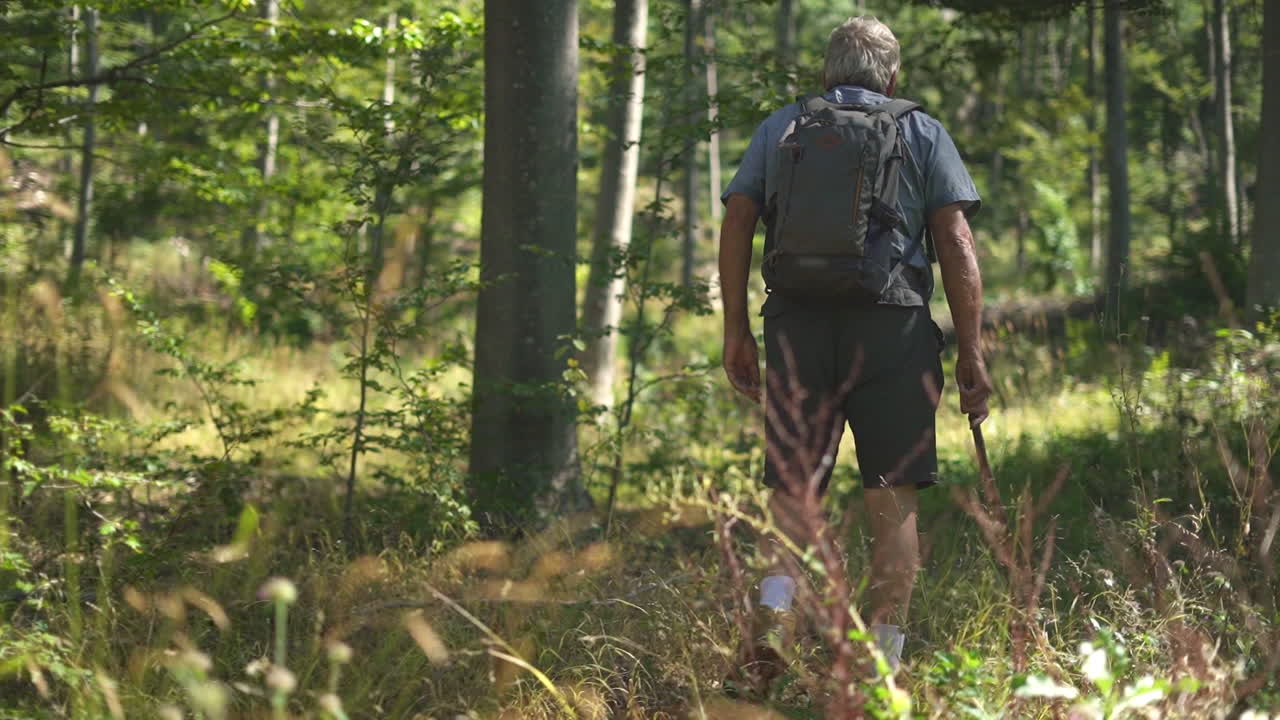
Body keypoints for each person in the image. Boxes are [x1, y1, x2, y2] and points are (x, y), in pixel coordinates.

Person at [717, 16, 993, 678]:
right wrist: (972, 350)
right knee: (891, 494)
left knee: (793, 488)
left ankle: (775, 619)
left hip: (795, 326)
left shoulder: (782, 128)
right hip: (891, 330)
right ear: (894, 76)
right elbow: (955, 241)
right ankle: (880, 660)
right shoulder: (921, 130)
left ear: (825, 73)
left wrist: (735, 327)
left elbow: (737, 219)